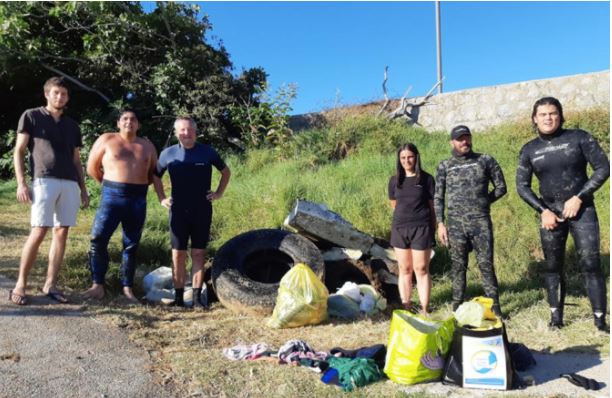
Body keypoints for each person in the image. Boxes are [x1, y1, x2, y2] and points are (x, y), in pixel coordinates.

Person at [516, 97, 609, 331]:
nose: (548, 118)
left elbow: (604, 167)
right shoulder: (529, 149)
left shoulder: (578, 137)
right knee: (552, 266)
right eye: (543, 114)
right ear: (534, 119)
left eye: (553, 113)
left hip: (582, 209)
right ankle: (556, 319)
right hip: (551, 213)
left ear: (560, 115)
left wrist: (579, 197)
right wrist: (543, 210)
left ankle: (600, 320)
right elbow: (522, 186)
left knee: (590, 263)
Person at [9, 77, 89, 306]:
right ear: (47, 94)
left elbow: (76, 160)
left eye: (63, 94)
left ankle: (50, 284)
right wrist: (21, 182)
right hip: (44, 180)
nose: (60, 97)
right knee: (39, 231)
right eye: (56, 93)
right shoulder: (32, 116)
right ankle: (20, 284)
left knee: (61, 232)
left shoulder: (72, 125)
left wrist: (83, 189)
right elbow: (19, 150)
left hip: (69, 183)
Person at [153, 117, 231, 308]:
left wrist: (219, 193)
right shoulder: (167, 153)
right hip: (178, 210)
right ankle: (179, 299)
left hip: (202, 209)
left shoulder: (207, 152)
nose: (186, 133)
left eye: (189, 130)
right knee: (178, 254)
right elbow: (155, 176)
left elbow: (226, 171)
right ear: (176, 132)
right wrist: (162, 198)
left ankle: (196, 299)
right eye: (182, 130)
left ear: (195, 132)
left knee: (198, 253)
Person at [83, 109, 158, 302]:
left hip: (137, 198)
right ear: (118, 123)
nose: (129, 122)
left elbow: (152, 174)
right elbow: (92, 167)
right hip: (112, 195)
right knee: (98, 239)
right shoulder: (107, 139)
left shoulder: (147, 146)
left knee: (131, 245)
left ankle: (127, 288)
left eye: (133, 119)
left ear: (138, 125)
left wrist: (136, 186)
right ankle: (97, 284)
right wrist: (110, 185)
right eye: (125, 119)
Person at [434, 125, 507, 317]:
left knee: (486, 265)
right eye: (460, 139)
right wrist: (440, 223)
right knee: (458, 267)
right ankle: (457, 309)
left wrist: (483, 202)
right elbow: (438, 197)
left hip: (480, 223)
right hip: (456, 226)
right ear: (452, 142)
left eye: (467, 137)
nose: (464, 141)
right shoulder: (445, 166)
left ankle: (496, 309)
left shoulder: (485, 160)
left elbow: (501, 187)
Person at [388, 143, 436, 314]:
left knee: (421, 269)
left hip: (422, 228)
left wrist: (434, 229)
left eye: (410, 157)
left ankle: (425, 308)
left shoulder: (427, 179)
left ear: (416, 157)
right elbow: (395, 205)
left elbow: (432, 208)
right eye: (403, 158)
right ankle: (406, 305)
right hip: (400, 229)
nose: (406, 160)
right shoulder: (394, 181)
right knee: (404, 269)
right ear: (399, 160)